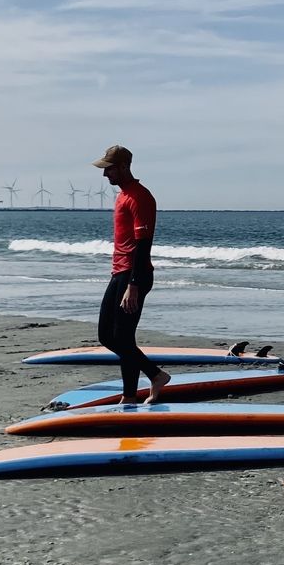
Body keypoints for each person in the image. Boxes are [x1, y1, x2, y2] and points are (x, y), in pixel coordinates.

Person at [92, 145, 170, 404]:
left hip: (135, 275)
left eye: (109, 169)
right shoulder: (123, 196)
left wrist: (133, 285)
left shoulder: (140, 197)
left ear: (124, 167)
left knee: (122, 338)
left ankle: (146, 383)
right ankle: (137, 389)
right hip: (119, 272)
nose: (105, 174)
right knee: (108, 336)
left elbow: (143, 244)